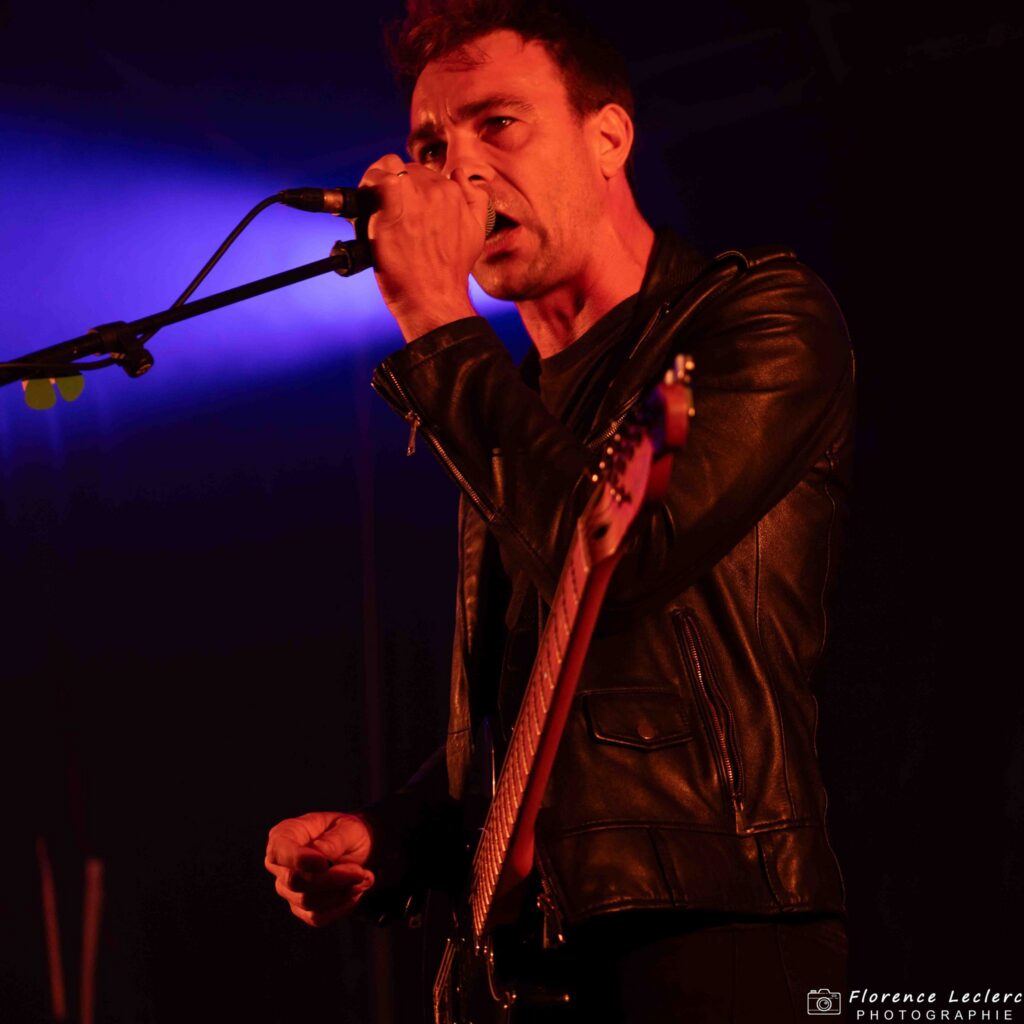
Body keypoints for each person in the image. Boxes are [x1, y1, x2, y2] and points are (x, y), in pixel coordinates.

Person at [265, 3, 855, 1020]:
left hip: (708, 928)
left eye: (498, 124)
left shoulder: (756, 316)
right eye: (430, 148)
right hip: (528, 966)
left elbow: (624, 565)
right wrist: (390, 837)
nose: (459, 171)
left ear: (608, 138)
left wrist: (434, 318)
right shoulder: (512, 404)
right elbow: (545, 706)